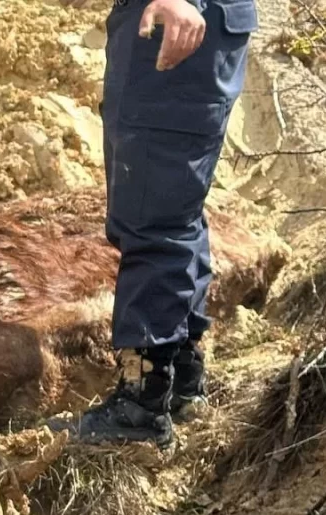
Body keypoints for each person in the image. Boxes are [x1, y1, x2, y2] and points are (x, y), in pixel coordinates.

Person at [76, 0, 258, 446]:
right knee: (172, 209)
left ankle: (141, 410)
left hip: (172, 23)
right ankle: (179, 380)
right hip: (197, 25)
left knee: (151, 219)